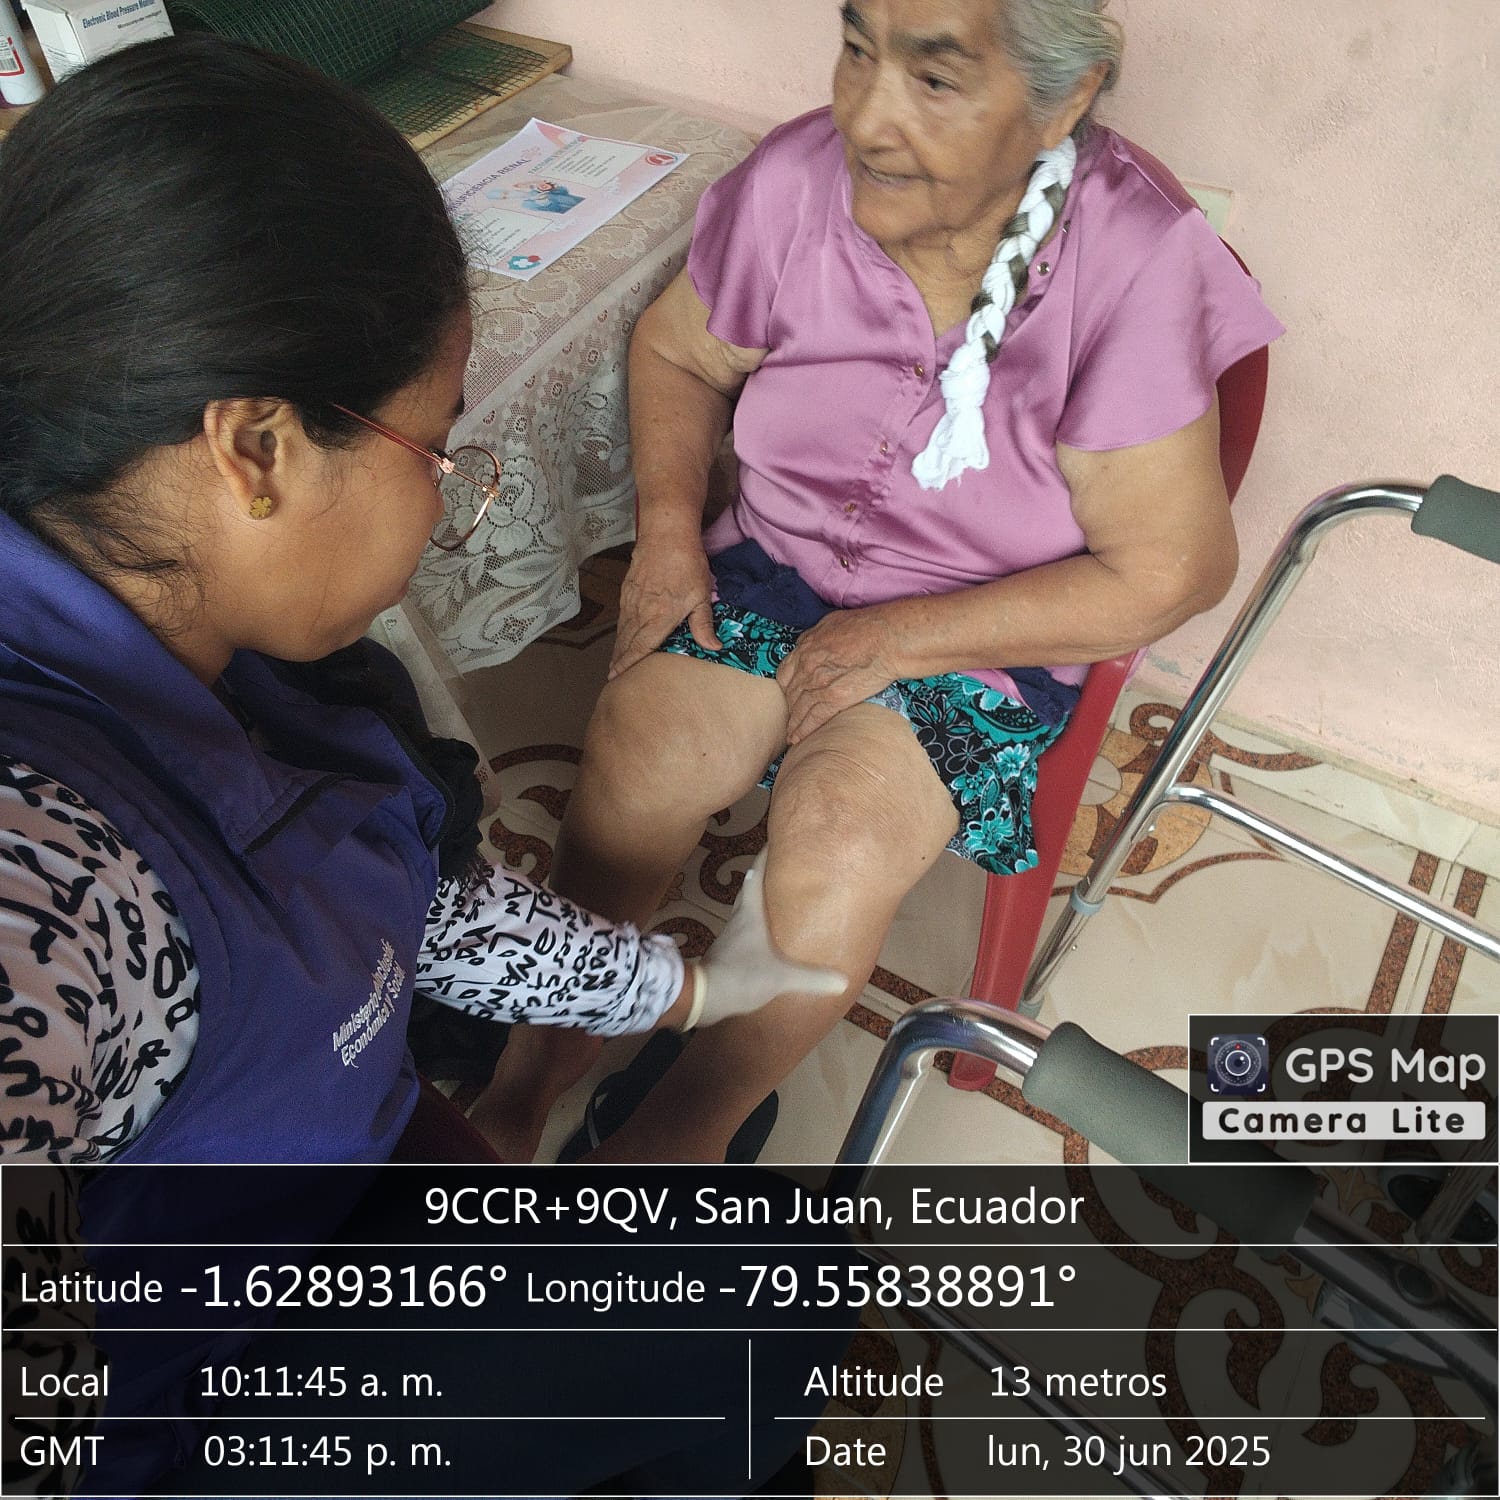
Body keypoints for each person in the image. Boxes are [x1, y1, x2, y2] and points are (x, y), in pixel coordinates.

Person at [0, 35, 847, 1497]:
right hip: (194, 1400)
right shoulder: (58, 880)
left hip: (304, 1187)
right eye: (436, 450)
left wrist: (688, 991)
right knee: (774, 1313)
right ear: (256, 450)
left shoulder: (211, 640)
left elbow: (403, 897)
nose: (445, 504)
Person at [474, 0, 1284, 1164]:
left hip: (979, 634)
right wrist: (666, 536)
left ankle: (677, 1137)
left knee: (843, 837)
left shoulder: (1132, 257)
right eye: (858, 50)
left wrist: (895, 641)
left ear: (1063, 98)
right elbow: (680, 351)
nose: (865, 115)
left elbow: (1171, 571)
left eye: (934, 79)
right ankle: (528, 1074)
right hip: (776, 568)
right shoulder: (795, 179)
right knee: (645, 752)